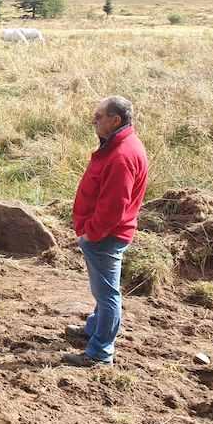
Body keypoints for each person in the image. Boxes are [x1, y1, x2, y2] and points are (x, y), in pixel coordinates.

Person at [62, 96, 149, 367]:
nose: (94, 120)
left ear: (116, 120)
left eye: (99, 116)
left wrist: (91, 233)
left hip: (106, 236)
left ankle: (100, 352)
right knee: (102, 292)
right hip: (105, 234)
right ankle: (93, 330)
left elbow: (113, 208)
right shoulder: (120, 145)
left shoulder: (122, 155)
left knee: (108, 294)